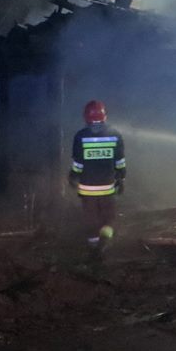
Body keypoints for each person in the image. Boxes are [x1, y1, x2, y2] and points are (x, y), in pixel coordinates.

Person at [68, 100, 126, 260]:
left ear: (86, 117)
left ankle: (93, 249)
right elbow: (119, 162)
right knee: (109, 218)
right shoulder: (115, 135)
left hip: (87, 189)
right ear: (105, 115)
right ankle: (105, 241)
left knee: (91, 220)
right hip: (108, 187)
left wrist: (73, 175)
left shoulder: (81, 136)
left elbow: (78, 163)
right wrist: (121, 178)